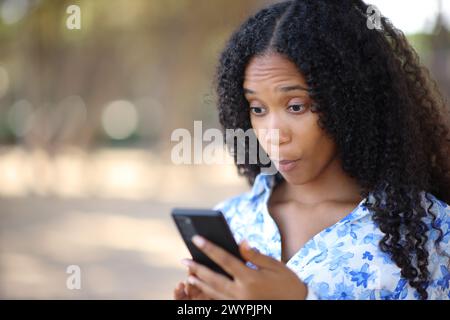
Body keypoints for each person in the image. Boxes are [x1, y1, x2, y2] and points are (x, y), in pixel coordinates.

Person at [173, 0, 450, 300]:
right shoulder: (231, 219)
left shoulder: (432, 235)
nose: (274, 135)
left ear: (349, 101)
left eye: (296, 106)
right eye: (257, 108)